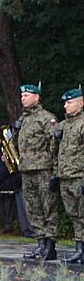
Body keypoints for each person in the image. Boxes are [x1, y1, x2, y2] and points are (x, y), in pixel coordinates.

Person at [16, 83, 59, 261]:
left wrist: (55, 170)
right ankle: (40, 243)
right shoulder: (24, 119)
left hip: (43, 169)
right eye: (22, 95)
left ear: (36, 97)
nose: (23, 98)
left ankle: (50, 245)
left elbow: (54, 145)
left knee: (48, 207)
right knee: (33, 208)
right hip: (27, 169)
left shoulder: (46, 118)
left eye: (27, 95)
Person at [56, 87, 84, 264]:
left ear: (81, 104)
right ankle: (79, 248)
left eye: (70, 102)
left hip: (79, 175)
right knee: (74, 215)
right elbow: (55, 152)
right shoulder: (64, 125)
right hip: (66, 176)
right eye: (65, 102)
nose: (66, 106)